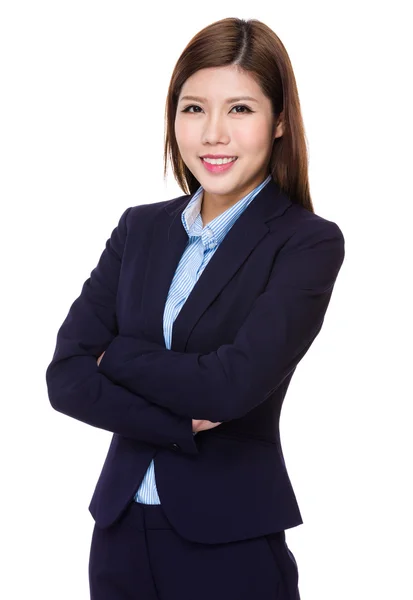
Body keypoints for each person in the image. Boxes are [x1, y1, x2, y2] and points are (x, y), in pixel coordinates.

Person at [45, 16, 345, 600]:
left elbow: (229, 387)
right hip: (120, 531)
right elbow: (65, 377)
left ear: (279, 121)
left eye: (239, 109)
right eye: (192, 109)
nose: (213, 133)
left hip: (230, 538)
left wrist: (117, 356)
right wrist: (178, 422)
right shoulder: (140, 228)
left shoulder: (307, 242)